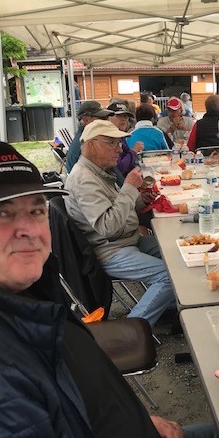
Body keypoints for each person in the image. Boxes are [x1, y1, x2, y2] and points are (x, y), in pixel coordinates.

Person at [0, 141, 219, 438]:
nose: (28, 229)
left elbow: (63, 388)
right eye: (0, 212)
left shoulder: (5, 290)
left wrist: (129, 422)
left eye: (36, 210)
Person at [65, 120, 176, 327]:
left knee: (176, 249)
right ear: (91, 145)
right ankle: (131, 331)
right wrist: (129, 189)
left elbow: (119, 208)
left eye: (119, 143)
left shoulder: (99, 170)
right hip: (110, 250)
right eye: (112, 143)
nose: (120, 149)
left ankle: (168, 307)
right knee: (167, 276)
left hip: (127, 239)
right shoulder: (84, 179)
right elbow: (108, 228)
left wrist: (142, 199)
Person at [65, 100, 114, 173]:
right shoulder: (86, 144)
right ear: (86, 120)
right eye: (103, 119)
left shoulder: (87, 139)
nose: (107, 122)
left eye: (107, 118)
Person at [107, 102, 143, 177]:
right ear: (109, 118)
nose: (123, 119)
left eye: (125, 116)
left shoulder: (121, 136)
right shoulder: (109, 139)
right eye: (119, 116)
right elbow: (119, 168)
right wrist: (134, 151)